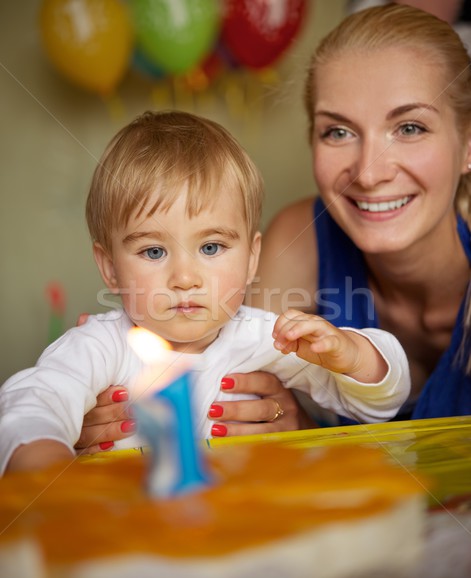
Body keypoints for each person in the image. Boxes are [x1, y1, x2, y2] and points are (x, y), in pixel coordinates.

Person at [76, 2, 471, 451]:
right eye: (338, 132)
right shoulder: (297, 243)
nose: (368, 172)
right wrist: (102, 384)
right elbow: (226, 376)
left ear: (468, 143)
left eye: (410, 127)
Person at [0, 110, 410, 474]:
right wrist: (46, 467)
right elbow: (35, 402)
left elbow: (377, 405)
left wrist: (352, 354)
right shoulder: (99, 347)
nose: (184, 277)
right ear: (109, 267)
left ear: (252, 260)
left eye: (211, 247)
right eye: (154, 250)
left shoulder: (266, 339)